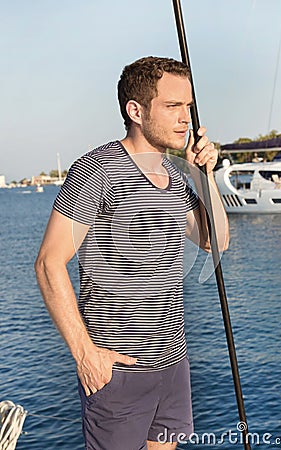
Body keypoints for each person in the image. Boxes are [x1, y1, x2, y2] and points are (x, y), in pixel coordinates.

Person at [35, 56, 229, 450]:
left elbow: (215, 242)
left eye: (188, 107)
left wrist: (202, 174)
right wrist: (85, 353)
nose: (185, 119)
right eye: (172, 106)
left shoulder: (175, 175)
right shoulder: (97, 171)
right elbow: (48, 263)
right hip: (118, 371)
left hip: (174, 362)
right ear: (136, 110)